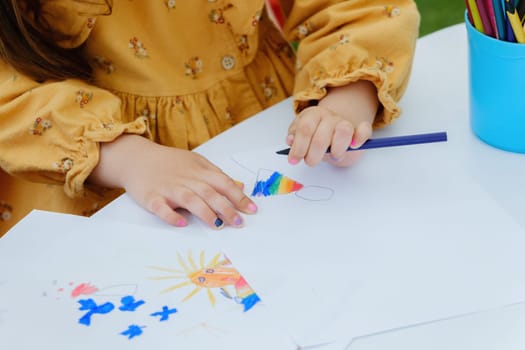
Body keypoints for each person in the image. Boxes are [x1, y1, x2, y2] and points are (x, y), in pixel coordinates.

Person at [0, 0, 420, 235]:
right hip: (99, 173)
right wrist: (127, 157)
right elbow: (12, 92)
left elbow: (359, 8)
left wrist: (344, 100)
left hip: (256, 129)